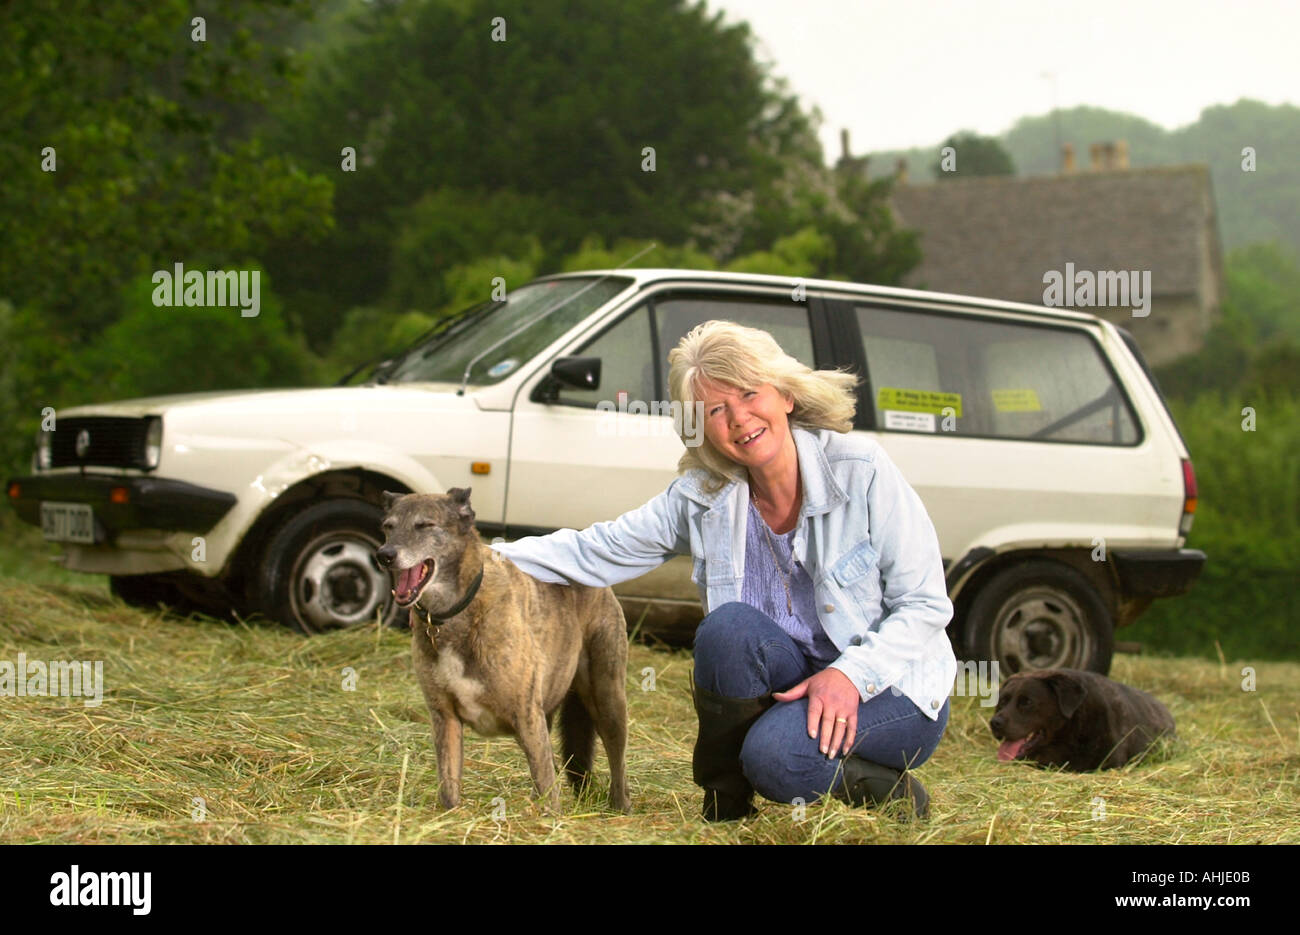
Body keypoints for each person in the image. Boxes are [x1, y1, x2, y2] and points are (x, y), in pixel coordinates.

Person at [492, 320, 956, 820]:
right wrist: (479, 562)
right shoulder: (705, 495)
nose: (739, 419)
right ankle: (726, 802)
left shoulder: (861, 469)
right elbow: (597, 548)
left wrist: (848, 676)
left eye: (750, 394)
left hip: (893, 687)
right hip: (793, 684)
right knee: (727, 627)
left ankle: (883, 786)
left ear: (786, 396)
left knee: (777, 761)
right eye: (716, 409)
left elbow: (925, 603)